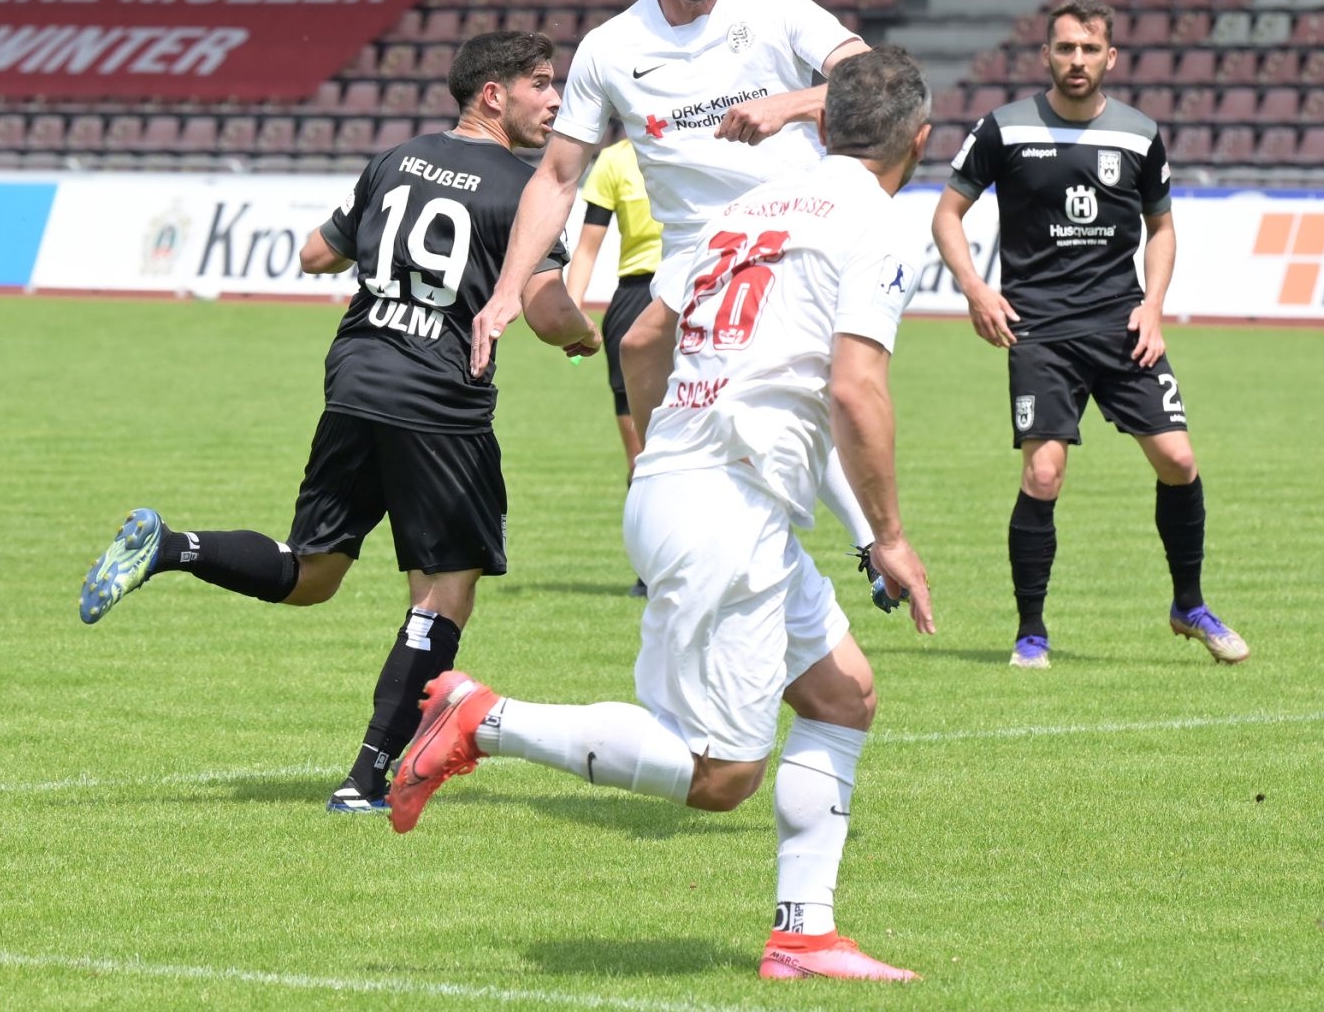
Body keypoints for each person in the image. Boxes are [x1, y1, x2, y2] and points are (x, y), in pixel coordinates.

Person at [389, 48, 937, 984]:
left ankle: (804, 937)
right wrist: (887, 537)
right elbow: (856, 388)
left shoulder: (749, 207)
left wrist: (663, 452)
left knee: (844, 695)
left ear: (822, 124)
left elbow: (644, 337)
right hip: (728, 510)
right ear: (918, 142)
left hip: (687, 488)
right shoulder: (877, 224)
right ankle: (484, 718)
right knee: (720, 776)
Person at [77, 31, 601, 813]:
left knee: (313, 575)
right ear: (493, 95)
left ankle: (172, 547)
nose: (555, 100)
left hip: (356, 379)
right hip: (438, 400)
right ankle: (365, 780)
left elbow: (314, 255)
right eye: (541, 84)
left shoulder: (395, 159)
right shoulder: (523, 191)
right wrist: (585, 335)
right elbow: (550, 313)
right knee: (444, 591)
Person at [468, 0, 884, 584]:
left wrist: (792, 103)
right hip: (697, 246)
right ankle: (691, 497)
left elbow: (878, 81)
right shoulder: (611, 48)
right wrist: (508, 291)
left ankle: (872, 543)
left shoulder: (775, 9)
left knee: (749, 388)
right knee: (639, 347)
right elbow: (558, 176)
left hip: (791, 225)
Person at [931, 0, 1248, 669]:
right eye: (1066, 48)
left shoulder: (1139, 133)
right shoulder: (1003, 129)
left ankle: (1189, 605)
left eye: (1089, 48)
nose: (1077, 60)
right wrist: (976, 289)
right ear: (1046, 54)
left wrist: (1153, 305)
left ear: (1111, 57)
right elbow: (947, 214)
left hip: (1121, 323)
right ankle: (1031, 633)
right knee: (1044, 473)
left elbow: (1162, 229)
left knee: (1179, 461)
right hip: (1040, 328)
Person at [562, 136, 663, 596]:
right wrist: (571, 315)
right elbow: (587, 248)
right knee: (640, 453)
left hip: (702, 290)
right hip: (637, 298)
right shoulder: (615, 161)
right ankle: (651, 567)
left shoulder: (707, 139)